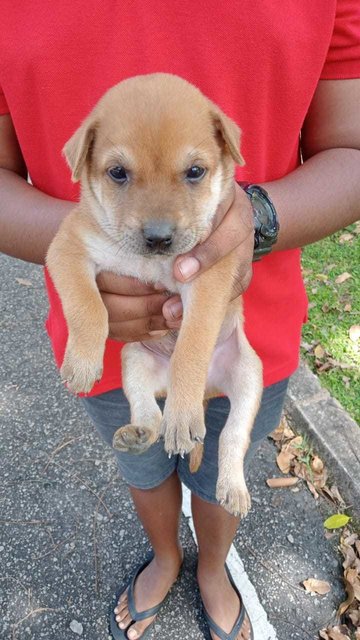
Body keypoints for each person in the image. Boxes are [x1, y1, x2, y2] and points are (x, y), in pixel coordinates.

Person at [0, 2, 359, 639]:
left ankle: (213, 566)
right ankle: (167, 555)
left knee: (225, 469)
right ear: (86, 161)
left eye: (194, 173)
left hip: (248, 331)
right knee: (144, 465)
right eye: (119, 174)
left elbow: (350, 146)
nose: (159, 225)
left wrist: (260, 217)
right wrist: (88, 295)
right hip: (119, 338)